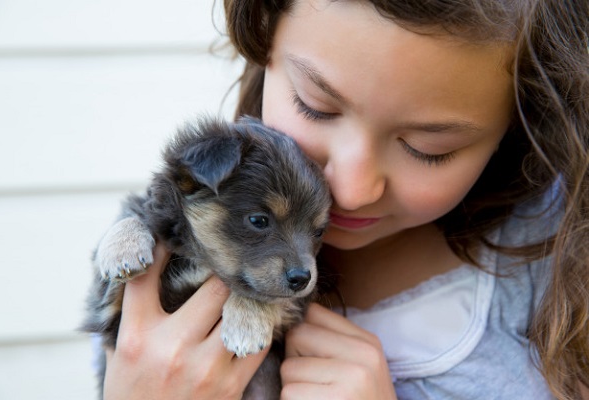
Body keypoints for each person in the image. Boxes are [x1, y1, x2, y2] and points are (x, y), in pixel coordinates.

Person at [101, 0, 589, 399]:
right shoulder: (176, 235)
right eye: (316, 107)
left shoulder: (561, 260)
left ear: (521, 123)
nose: (351, 191)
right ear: (263, 34)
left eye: (428, 149)